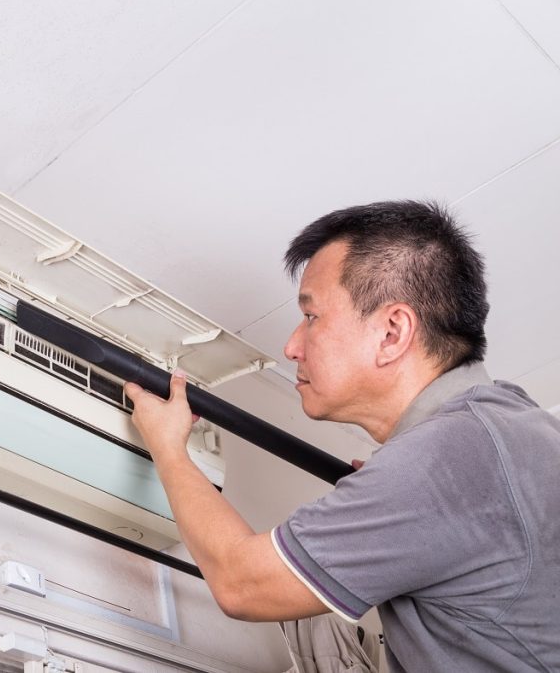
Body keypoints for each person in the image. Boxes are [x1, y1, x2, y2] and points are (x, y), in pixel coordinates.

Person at [125, 201, 560, 672]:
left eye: (311, 317)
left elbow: (241, 583)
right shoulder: (513, 431)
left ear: (392, 332)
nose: (292, 346)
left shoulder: (449, 459)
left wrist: (169, 449)